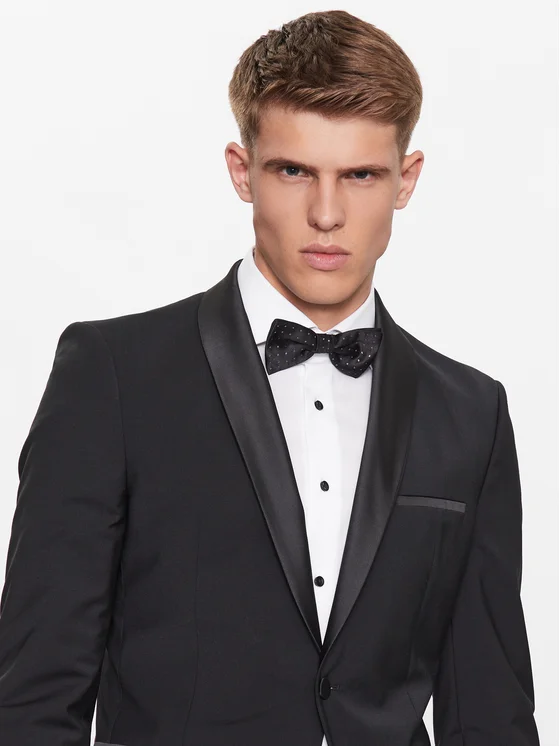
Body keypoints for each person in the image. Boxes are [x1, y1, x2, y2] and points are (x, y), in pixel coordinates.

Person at [0, 9, 540, 746]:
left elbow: (491, 715)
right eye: (294, 171)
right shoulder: (114, 376)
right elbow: (34, 701)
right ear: (241, 171)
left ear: (406, 180)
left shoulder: (471, 414)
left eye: (360, 175)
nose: (327, 213)